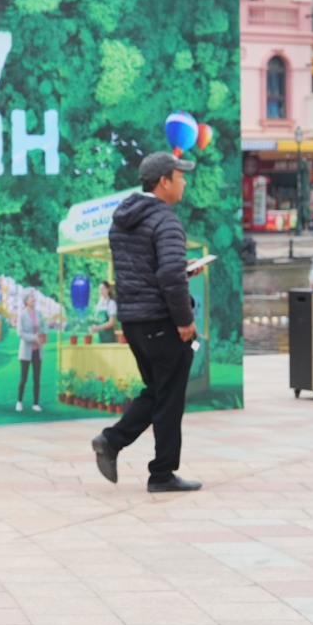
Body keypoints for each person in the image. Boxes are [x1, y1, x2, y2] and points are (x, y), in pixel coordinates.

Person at [91, 152, 201, 493]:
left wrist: (182, 270)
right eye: (179, 176)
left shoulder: (122, 219)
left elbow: (143, 271)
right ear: (164, 182)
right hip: (162, 321)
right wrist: (184, 321)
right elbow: (168, 275)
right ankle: (161, 474)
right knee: (169, 398)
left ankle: (112, 441)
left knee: (158, 392)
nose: (184, 182)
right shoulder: (164, 219)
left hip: (134, 322)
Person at [15, 290, 43, 413]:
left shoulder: (39, 314)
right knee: (23, 378)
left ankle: (36, 403)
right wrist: (33, 338)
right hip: (26, 351)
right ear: (26, 301)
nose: (34, 299)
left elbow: (42, 327)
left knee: (37, 378)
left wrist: (42, 336)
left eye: (34, 297)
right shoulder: (22, 315)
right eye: (31, 297)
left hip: (38, 350)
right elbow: (20, 333)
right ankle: (19, 402)